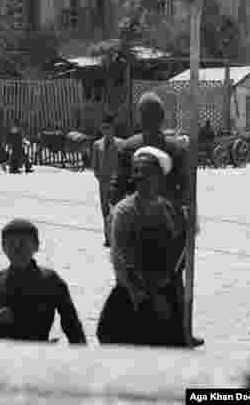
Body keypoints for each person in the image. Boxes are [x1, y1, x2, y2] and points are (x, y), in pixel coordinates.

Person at [110, 92, 203, 348]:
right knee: (173, 280)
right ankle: (180, 331)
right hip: (168, 224)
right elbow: (186, 189)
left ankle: (135, 329)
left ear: (139, 118)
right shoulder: (175, 148)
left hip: (136, 221)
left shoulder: (128, 146)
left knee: (132, 275)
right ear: (163, 118)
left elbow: (116, 188)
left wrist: (120, 213)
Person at [97, 146, 184, 347]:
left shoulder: (168, 209)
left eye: (147, 174)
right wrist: (138, 293)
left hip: (163, 292)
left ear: (159, 178)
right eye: (137, 172)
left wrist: (187, 228)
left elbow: (176, 255)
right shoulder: (124, 212)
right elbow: (119, 258)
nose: (140, 178)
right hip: (133, 293)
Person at [0, 218, 87, 344]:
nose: (17, 249)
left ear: (36, 246)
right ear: (3, 247)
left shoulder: (50, 281)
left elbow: (72, 325)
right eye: (11, 244)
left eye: (22, 243)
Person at [91, 114, 119, 247]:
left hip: (116, 184)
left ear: (113, 128)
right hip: (103, 184)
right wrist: (100, 178)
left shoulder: (120, 144)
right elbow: (94, 166)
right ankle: (107, 238)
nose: (105, 130)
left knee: (116, 211)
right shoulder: (97, 145)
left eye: (108, 127)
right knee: (105, 211)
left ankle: (116, 239)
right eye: (103, 128)